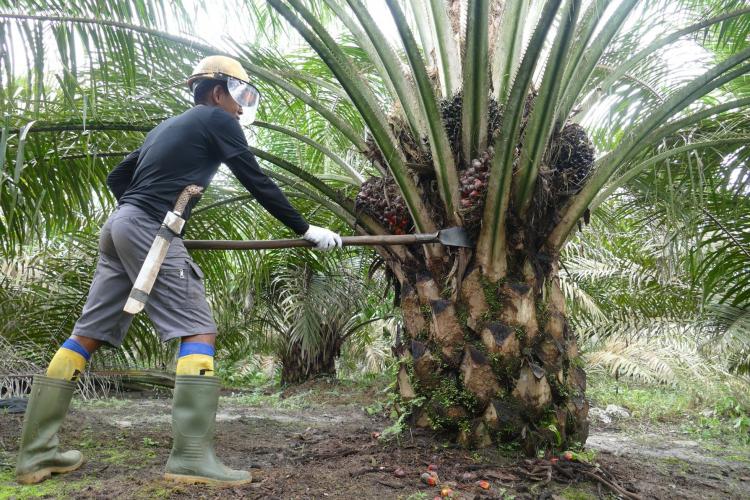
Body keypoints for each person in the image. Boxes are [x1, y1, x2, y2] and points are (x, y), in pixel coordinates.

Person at [15, 55, 342, 486]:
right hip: (148, 229)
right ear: (218, 91)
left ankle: (36, 454)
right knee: (198, 329)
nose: (242, 108)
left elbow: (118, 178)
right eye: (241, 95)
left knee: (86, 334)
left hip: (118, 228)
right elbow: (256, 180)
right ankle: (190, 458)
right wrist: (305, 228)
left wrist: (145, 208)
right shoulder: (217, 120)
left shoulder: (166, 127)